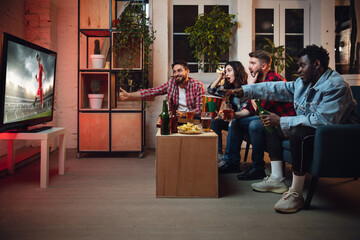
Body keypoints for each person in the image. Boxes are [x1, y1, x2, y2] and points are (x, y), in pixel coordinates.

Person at [227, 45, 359, 213]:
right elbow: (275, 88)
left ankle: (296, 192)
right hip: (318, 131)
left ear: (317, 64)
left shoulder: (335, 86)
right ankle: (277, 178)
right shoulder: (304, 83)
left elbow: (322, 122)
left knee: (298, 130)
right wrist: (244, 90)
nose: (298, 70)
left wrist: (282, 120)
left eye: (302, 65)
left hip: (337, 138)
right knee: (269, 124)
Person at [218, 50, 295, 176]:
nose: (249, 66)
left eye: (253, 63)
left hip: (282, 121)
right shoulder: (258, 80)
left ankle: (258, 168)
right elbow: (249, 110)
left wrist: (251, 87)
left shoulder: (274, 80)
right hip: (267, 119)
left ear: (263, 66)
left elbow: (260, 109)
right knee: (236, 121)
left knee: (255, 124)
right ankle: (231, 163)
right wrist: (234, 115)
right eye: (249, 63)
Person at [119, 60, 205, 116]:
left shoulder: (197, 85)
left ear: (187, 71)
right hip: (175, 119)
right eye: (174, 72)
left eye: (179, 71)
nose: (176, 74)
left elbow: (199, 110)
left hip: (192, 120)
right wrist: (129, 95)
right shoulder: (171, 83)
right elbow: (152, 92)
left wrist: (184, 114)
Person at [208, 61, 248, 161]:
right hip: (233, 119)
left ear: (237, 71)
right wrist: (219, 78)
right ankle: (218, 156)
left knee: (233, 121)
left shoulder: (247, 87)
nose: (226, 74)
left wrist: (232, 116)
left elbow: (248, 111)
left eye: (229, 71)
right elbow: (211, 90)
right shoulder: (228, 89)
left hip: (244, 119)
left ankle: (229, 160)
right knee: (214, 121)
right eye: (225, 71)